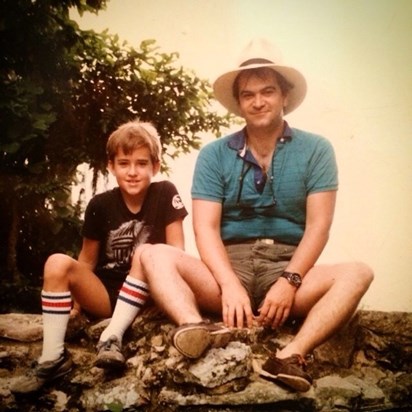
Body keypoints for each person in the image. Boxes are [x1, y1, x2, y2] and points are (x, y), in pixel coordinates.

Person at [187, 38, 374, 391]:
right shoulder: (213, 154)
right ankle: (195, 331)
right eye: (248, 94)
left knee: (358, 273)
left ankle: (290, 354)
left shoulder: (316, 149)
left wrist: (290, 282)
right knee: (154, 256)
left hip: (288, 265)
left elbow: (319, 226)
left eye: (268, 91)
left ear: (284, 95)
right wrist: (228, 285)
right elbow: (204, 228)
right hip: (229, 267)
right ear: (239, 103)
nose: (258, 102)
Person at [11, 120, 190, 393]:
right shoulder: (100, 205)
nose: (132, 172)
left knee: (145, 253)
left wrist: (164, 294)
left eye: (142, 164)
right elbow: (87, 261)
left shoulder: (165, 193)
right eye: (124, 163)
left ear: (155, 166)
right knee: (57, 262)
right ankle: (52, 357)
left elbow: (177, 252)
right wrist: (76, 300)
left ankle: (111, 337)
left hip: (148, 288)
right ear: (111, 166)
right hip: (106, 295)